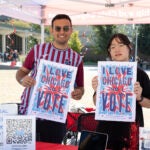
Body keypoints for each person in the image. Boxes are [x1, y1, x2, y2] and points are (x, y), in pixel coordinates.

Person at [16, 14, 84, 143]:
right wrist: (22, 80)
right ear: (52, 30)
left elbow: (80, 87)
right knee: (22, 146)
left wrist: (79, 93)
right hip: (28, 112)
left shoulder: (76, 59)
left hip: (56, 118)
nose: (62, 32)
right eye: (58, 29)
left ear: (71, 30)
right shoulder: (38, 50)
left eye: (65, 28)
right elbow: (21, 73)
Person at [92, 33, 150, 150]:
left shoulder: (140, 74)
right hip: (106, 130)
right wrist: (97, 90)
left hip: (130, 132)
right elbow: (95, 102)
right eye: (112, 47)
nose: (117, 49)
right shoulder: (105, 72)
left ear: (129, 48)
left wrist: (139, 97)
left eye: (121, 45)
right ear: (109, 52)